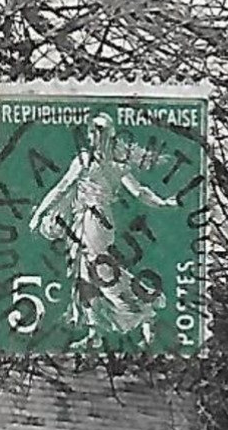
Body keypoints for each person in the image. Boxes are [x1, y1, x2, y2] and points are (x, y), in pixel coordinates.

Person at [28, 113, 177, 347]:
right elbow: (140, 192)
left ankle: (146, 309)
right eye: (94, 132)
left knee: (103, 272)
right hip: (88, 220)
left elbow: (62, 188)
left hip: (93, 220)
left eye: (99, 133)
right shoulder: (109, 165)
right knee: (85, 274)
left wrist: (39, 215)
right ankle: (94, 332)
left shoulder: (95, 163)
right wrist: (163, 202)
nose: (96, 137)